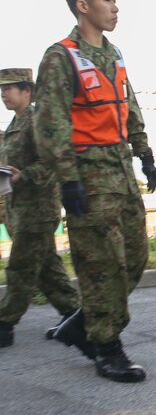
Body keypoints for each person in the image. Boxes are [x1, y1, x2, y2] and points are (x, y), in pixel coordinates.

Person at [33, 0, 156, 382]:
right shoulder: (60, 56)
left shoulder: (115, 54)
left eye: (116, 1)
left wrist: (144, 152)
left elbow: (130, 106)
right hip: (87, 174)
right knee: (101, 264)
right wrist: (68, 179)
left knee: (136, 256)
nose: (116, 8)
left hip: (120, 171)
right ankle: (106, 346)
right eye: (108, 0)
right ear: (83, 6)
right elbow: (50, 124)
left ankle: (81, 322)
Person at [0, 68, 80, 348]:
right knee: (47, 267)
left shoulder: (38, 121)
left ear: (27, 91)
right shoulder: (14, 124)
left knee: (20, 267)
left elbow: (53, 161)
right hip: (18, 208)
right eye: (2, 89)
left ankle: (5, 323)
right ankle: (76, 315)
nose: (3, 94)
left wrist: (24, 174)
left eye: (9, 88)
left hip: (38, 209)